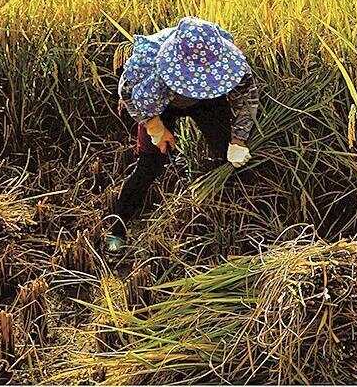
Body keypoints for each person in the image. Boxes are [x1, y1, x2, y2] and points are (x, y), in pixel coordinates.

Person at [104, 17, 258, 251]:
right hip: (160, 106)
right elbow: (128, 95)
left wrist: (239, 139)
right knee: (149, 165)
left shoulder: (230, 63)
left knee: (227, 155)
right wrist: (156, 128)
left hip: (208, 102)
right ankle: (118, 227)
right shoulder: (147, 63)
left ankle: (236, 219)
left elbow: (246, 98)